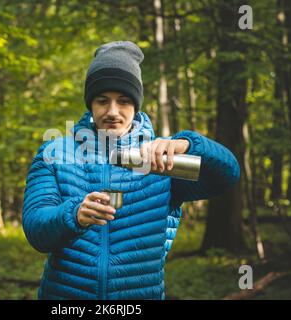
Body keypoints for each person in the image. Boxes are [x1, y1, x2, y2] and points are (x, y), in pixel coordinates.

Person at [22, 41, 240, 300]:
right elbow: (36, 228)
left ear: (136, 105)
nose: (112, 111)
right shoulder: (55, 154)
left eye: (123, 101)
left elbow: (228, 175)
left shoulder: (160, 159)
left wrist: (190, 144)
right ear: (90, 103)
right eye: (103, 100)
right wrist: (74, 215)